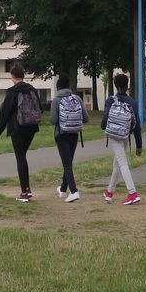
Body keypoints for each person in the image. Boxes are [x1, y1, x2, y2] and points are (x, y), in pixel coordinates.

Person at [0, 63, 42, 202]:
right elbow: (40, 107)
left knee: (20, 158)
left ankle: (25, 191)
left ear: (13, 76)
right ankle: (26, 189)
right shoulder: (32, 90)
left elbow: (5, 113)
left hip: (17, 128)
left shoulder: (12, 92)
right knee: (23, 156)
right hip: (31, 128)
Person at [101, 73, 144, 206]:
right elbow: (137, 125)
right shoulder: (132, 102)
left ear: (115, 85)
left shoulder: (110, 100)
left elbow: (105, 118)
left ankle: (132, 193)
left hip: (114, 135)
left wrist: (103, 126)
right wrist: (139, 145)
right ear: (127, 85)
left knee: (122, 163)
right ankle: (109, 191)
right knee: (118, 163)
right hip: (125, 135)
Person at [52, 74, 86, 202]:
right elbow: (86, 118)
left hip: (62, 135)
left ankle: (74, 191)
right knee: (68, 162)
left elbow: (53, 120)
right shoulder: (77, 98)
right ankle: (62, 189)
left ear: (58, 87)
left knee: (67, 164)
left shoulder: (56, 100)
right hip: (75, 134)